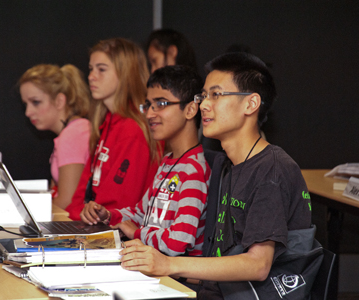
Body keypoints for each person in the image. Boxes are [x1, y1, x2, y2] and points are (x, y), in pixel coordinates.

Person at [119, 53, 312, 299]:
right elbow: (221, 260)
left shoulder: (271, 169)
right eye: (204, 95)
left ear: (250, 104)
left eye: (216, 95)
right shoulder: (228, 165)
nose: (203, 105)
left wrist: (169, 265)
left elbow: (258, 265)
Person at [80, 65, 211, 257]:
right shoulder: (168, 161)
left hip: (175, 277)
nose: (149, 114)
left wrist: (136, 233)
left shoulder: (193, 171)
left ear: (191, 109)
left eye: (161, 104)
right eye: (148, 105)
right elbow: (143, 213)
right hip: (152, 263)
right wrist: (108, 215)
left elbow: (178, 242)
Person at [66, 38, 161, 220]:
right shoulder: (107, 121)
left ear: (126, 73)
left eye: (101, 69)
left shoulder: (134, 128)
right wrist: (71, 215)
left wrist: (78, 216)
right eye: (91, 69)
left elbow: (117, 205)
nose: (91, 76)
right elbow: (83, 190)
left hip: (116, 233)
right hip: (95, 224)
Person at [19, 64, 92, 210]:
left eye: (36, 102)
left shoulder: (73, 134)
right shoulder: (74, 130)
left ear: (59, 101)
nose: (28, 112)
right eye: (26, 104)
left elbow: (67, 202)